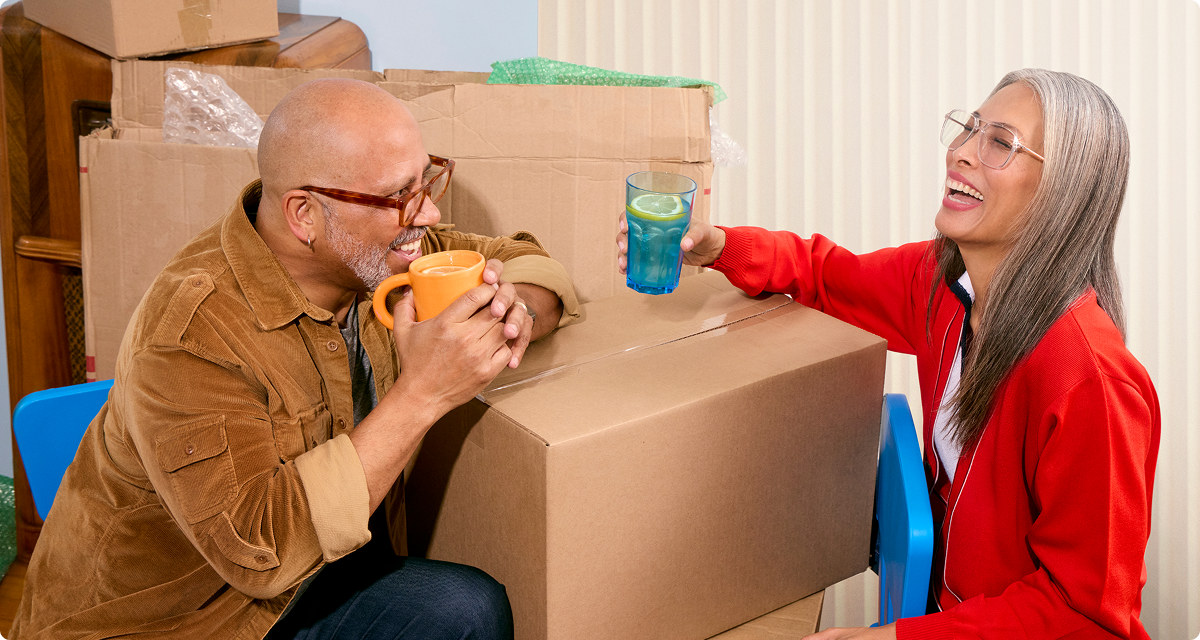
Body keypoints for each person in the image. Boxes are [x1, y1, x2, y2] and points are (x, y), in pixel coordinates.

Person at [12, 78, 580, 639]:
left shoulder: (374, 256)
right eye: (399, 196)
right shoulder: (189, 336)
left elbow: (526, 262)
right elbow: (261, 551)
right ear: (305, 214)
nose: (428, 213)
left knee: (466, 607)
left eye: (427, 180)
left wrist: (515, 308)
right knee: (464, 612)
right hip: (186, 622)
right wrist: (423, 394)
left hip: (310, 582)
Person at [619, 69, 1159, 639]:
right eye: (970, 128)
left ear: (1063, 193)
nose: (962, 152)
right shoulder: (942, 285)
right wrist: (721, 247)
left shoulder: (1093, 384)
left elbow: (1085, 616)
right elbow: (826, 275)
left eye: (1000, 142)